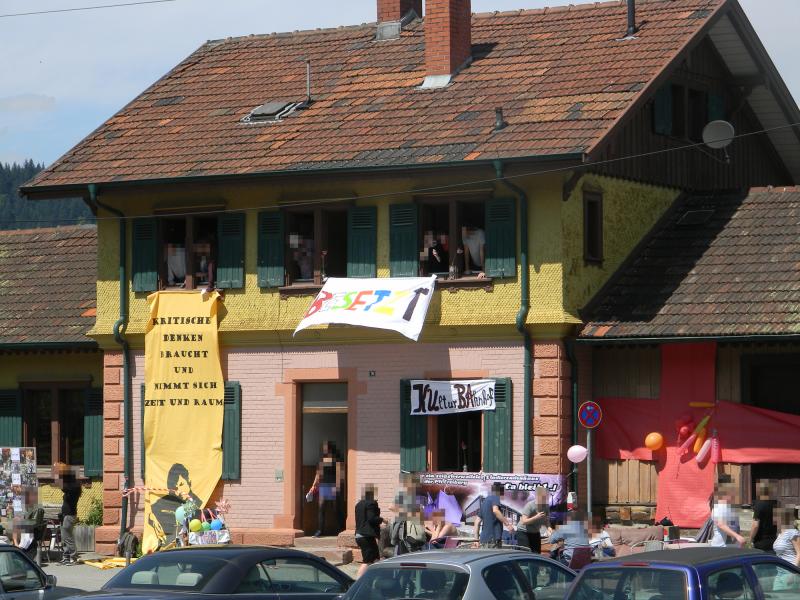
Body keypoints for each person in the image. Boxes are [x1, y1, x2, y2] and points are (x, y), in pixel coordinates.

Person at [150, 463, 202, 545]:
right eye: (174, 486)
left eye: (181, 484)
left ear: (189, 482)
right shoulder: (159, 505)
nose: (178, 489)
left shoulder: (198, 503)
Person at [309, 441, 345, 537]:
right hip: (324, 486)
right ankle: (320, 530)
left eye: (326, 447)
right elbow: (318, 475)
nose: (324, 449)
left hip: (333, 485)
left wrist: (337, 487)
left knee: (336, 509)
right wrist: (313, 486)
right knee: (321, 508)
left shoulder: (337, 460)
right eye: (323, 447)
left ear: (330, 448)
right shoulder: (321, 460)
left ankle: (341, 529)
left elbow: (340, 476)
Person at [355, 484, 383, 578]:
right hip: (366, 536)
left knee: (375, 558)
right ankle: (357, 583)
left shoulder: (358, 504)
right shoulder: (371, 503)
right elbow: (372, 519)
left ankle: (375, 579)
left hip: (359, 535)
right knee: (367, 561)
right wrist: (382, 519)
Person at [474, 482, 514, 548]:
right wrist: (508, 524)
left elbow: (477, 522)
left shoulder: (485, 501)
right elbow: (495, 510)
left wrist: (476, 540)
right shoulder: (495, 497)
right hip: (493, 539)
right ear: (500, 491)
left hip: (483, 540)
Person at [57, 465, 84, 564]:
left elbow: (64, 488)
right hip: (65, 515)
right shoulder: (71, 486)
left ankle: (74, 557)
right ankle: (66, 557)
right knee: (64, 537)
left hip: (69, 515)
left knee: (67, 537)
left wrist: (61, 476)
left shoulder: (74, 488)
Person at [709, 481, 744, 548]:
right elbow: (721, 524)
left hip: (732, 546)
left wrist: (738, 537)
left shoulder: (731, 507)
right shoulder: (719, 506)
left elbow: (736, 526)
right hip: (721, 547)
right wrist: (737, 536)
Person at [515, 486, 549, 554]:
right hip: (523, 531)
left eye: (546, 496)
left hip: (535, 532)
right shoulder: (530, 505)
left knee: (536, 554)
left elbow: (546, 520)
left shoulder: (546, 506)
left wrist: (549, 528)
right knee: (525, 553)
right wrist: (536, 517)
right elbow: (524, 521)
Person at [750, 480, 778, 553]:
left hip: (761, 542)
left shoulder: (759, 505)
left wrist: (750, 539)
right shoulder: (776, 504)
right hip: (774, 541)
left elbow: (755, 525)